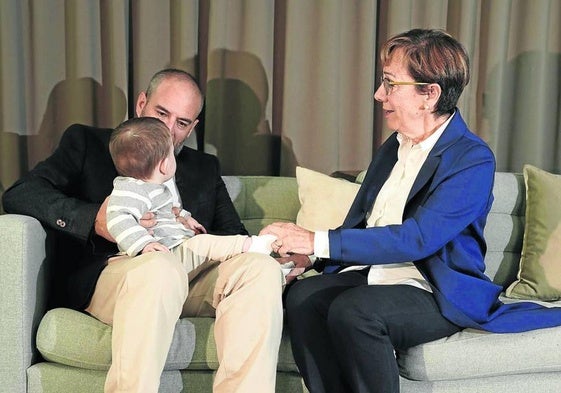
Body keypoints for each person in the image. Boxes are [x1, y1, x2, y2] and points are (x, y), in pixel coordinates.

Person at [261, 28, 561, 393]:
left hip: (435, 287)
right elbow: (366, 222)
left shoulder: (471, 158)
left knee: (355, 311)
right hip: (379, 274)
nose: (378, 95)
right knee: (303, 298)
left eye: (390, 84)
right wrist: (313, 259)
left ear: (429, 94)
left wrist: (314, 239)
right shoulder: (394, 146)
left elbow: (418, 238)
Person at [2, 69, 284, 393]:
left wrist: (271, 250)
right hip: (119, 274)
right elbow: (20, 193)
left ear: (192, 128)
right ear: (141, 104)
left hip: (187, 271)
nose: (167, 128)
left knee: (259, 268)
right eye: (161, 113)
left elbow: (231, 230)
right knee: (159, 269)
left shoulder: (204, 168)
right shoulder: (88, 143)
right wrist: (94, 218)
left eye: (181, 123)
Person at [106, 116, 276, 259]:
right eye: (171, 154)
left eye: (181, 122)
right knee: (204, 244)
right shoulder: (131, 188)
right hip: (165, 253)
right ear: (165, 165)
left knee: (205, 249)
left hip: (179, 246)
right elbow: (117, 218)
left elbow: (171, 210)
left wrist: (185, 217)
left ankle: (259, 259)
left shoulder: (156, 187)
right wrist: (144, 244)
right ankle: (251, 245)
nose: (171, 126)